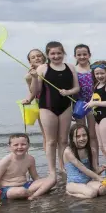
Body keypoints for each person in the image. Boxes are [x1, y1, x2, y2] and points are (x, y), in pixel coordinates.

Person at [29, 41, 80, 175]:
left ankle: (63, 167)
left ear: (63, 53)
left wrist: (68, 92)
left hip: (65, 107)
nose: (56, 56)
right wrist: (34, 78)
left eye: (59, 53)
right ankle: (51, 170)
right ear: (48, 55)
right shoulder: (42, 68)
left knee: (63, 140)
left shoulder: (70, 67)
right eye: (53, 53)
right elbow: (36, 91)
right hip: (47, 107)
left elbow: (76, 87)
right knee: (51, 141)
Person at [0, 133, 56, 201]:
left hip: (26, 185)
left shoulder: (30, 159)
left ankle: (33, 195)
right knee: (21, 191)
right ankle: (36, 193)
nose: (20, 147)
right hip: (8, 189)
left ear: (28, 145)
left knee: (52, 180)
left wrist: (45, 184)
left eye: (23, 144)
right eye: (16, 145)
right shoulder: (5, 161)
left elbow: (35, 177)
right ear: (9, 146)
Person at [63, 123, 106, 198]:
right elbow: (84, 169)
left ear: (88, 136)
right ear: (72, 138)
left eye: (84, 135)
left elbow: (95, 169)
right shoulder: (68, 152)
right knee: (92, 193)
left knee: (102, 190)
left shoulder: (92, 150)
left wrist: (102, 168)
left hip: (88, 181)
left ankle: (87, 190)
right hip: (73, 183)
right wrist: (100, 179)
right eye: (78, 136)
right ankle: (70, 193)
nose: (82, 138)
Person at [74, 44, 99, 168]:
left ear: (89, 55)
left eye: (85, 54)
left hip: (94, 104)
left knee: (93, 135)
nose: (82, 56)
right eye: (79, 54)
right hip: (80, 104)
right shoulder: (73, 70)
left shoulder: (94, 69)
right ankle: (83, 163)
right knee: (81, 135)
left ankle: (95, 163)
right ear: (75, 56)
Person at [22, 49, 46, 150]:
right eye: (33, 57)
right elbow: (33, 92)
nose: (37, 58)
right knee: (46, 136)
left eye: (39, 56)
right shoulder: (29, 76)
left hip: (57, 103)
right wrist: (28, 100)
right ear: (30, 62)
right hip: (41, 104)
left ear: (44, 58)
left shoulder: (50, 68)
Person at [84, 61, 106, 158]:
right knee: (101, 146)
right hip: (97, 118)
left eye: (102, 73)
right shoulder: (96, 85)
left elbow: (96, 102)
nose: (99, 76)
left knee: (105, 145)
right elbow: (92, 100)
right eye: (97, 73)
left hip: (105, 117)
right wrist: (87, 105)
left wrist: (95, 103)